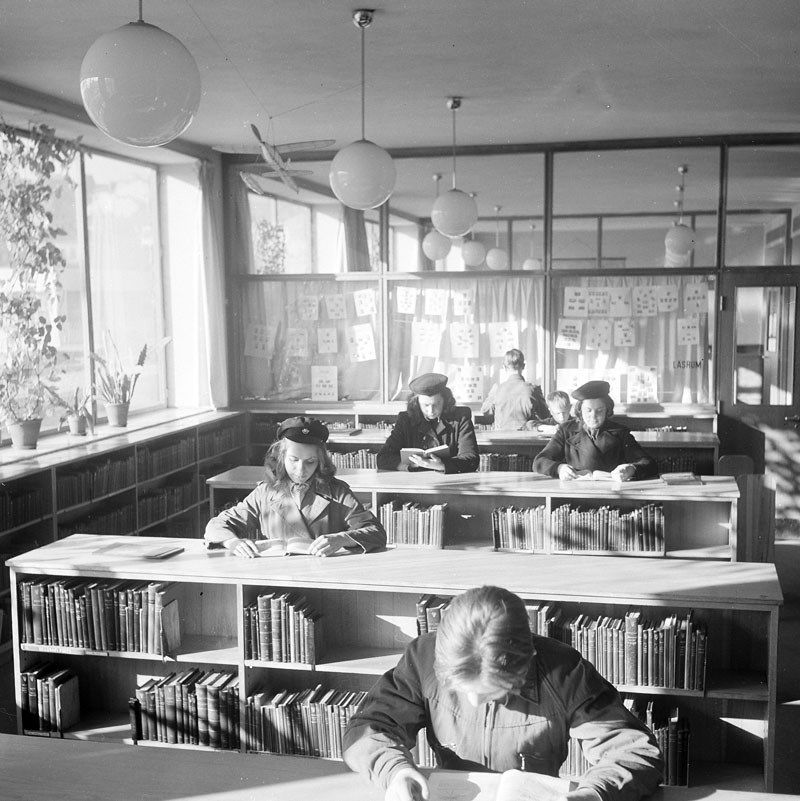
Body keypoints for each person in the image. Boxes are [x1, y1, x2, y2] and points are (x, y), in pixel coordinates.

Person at [343, 585, 662, 801]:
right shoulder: (423, 658)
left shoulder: (564, 673)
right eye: (460, 689)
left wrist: (595, 793)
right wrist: (394, 771)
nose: (472, 702)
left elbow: (632, 751)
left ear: (526, 664)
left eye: (491, 694)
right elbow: (369, 728)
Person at [204, 416, 386, 556]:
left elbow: (376, 532)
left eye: (310, 461)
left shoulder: (338, 492)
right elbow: (217, 525)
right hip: (277, 579)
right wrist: (234, 543)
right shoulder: (265, 492)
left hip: (325, 578)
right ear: (281, 457)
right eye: (294, 460)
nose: (301, 470)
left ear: (321, 461)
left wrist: (341, 539)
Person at [533, 381, 657, 481]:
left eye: (599, 410)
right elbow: (539, 462)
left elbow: (649, 463)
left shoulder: (620, 432)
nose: (593, 416)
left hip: (611, 494)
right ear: (580, 410)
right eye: (588, 410)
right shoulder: (566, 430)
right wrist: (559, 468)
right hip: (575, 492)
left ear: (607, 410)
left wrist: (632, 468)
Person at [376, 373, 479, 473]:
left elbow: (472, 459)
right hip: (415, 481)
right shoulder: (405, 420)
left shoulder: (460, 418)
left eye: (436, 404)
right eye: (426, 405)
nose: (431, 411)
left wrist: (442, 465)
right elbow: (383, 458)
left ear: (445, 400)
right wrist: (414, 464)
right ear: (416, 403)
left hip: (450, 481)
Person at [480, 348, 550, 430]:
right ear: (523, 366)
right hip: (527, 436)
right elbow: (545, 416)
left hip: (500, 436)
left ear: (504, 367)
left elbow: (485, 411)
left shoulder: (497, 389)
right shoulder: (533, 389)